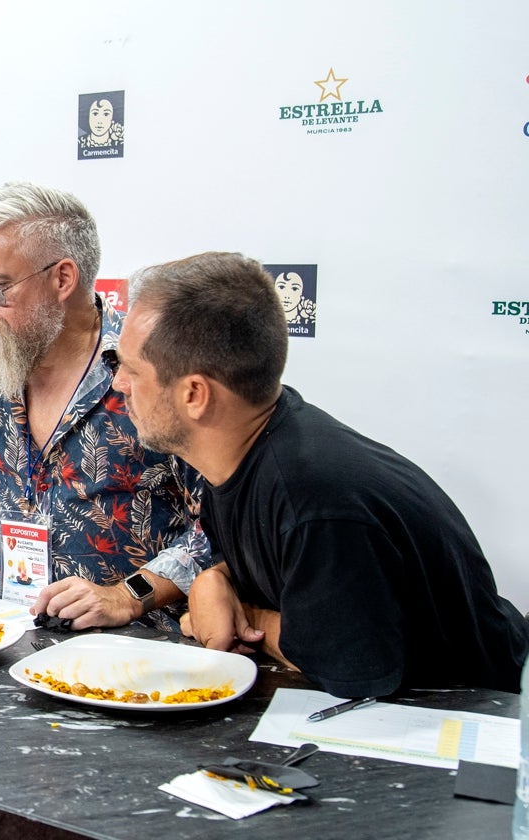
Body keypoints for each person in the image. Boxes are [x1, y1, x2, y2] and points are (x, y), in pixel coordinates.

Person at [114, 251, 529, 697]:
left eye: (132, 370)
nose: (119, 384)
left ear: (195, 394)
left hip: (479, 720)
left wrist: (247, 617)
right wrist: (213, 579)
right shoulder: (248, 448)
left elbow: (350, 670)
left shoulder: (315, 499)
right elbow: (278, 560)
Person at [0, 182, 209, 631]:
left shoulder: (151, 371)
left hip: (127, 647)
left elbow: (213, 533)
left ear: (63, 279)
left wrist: (127, 596)